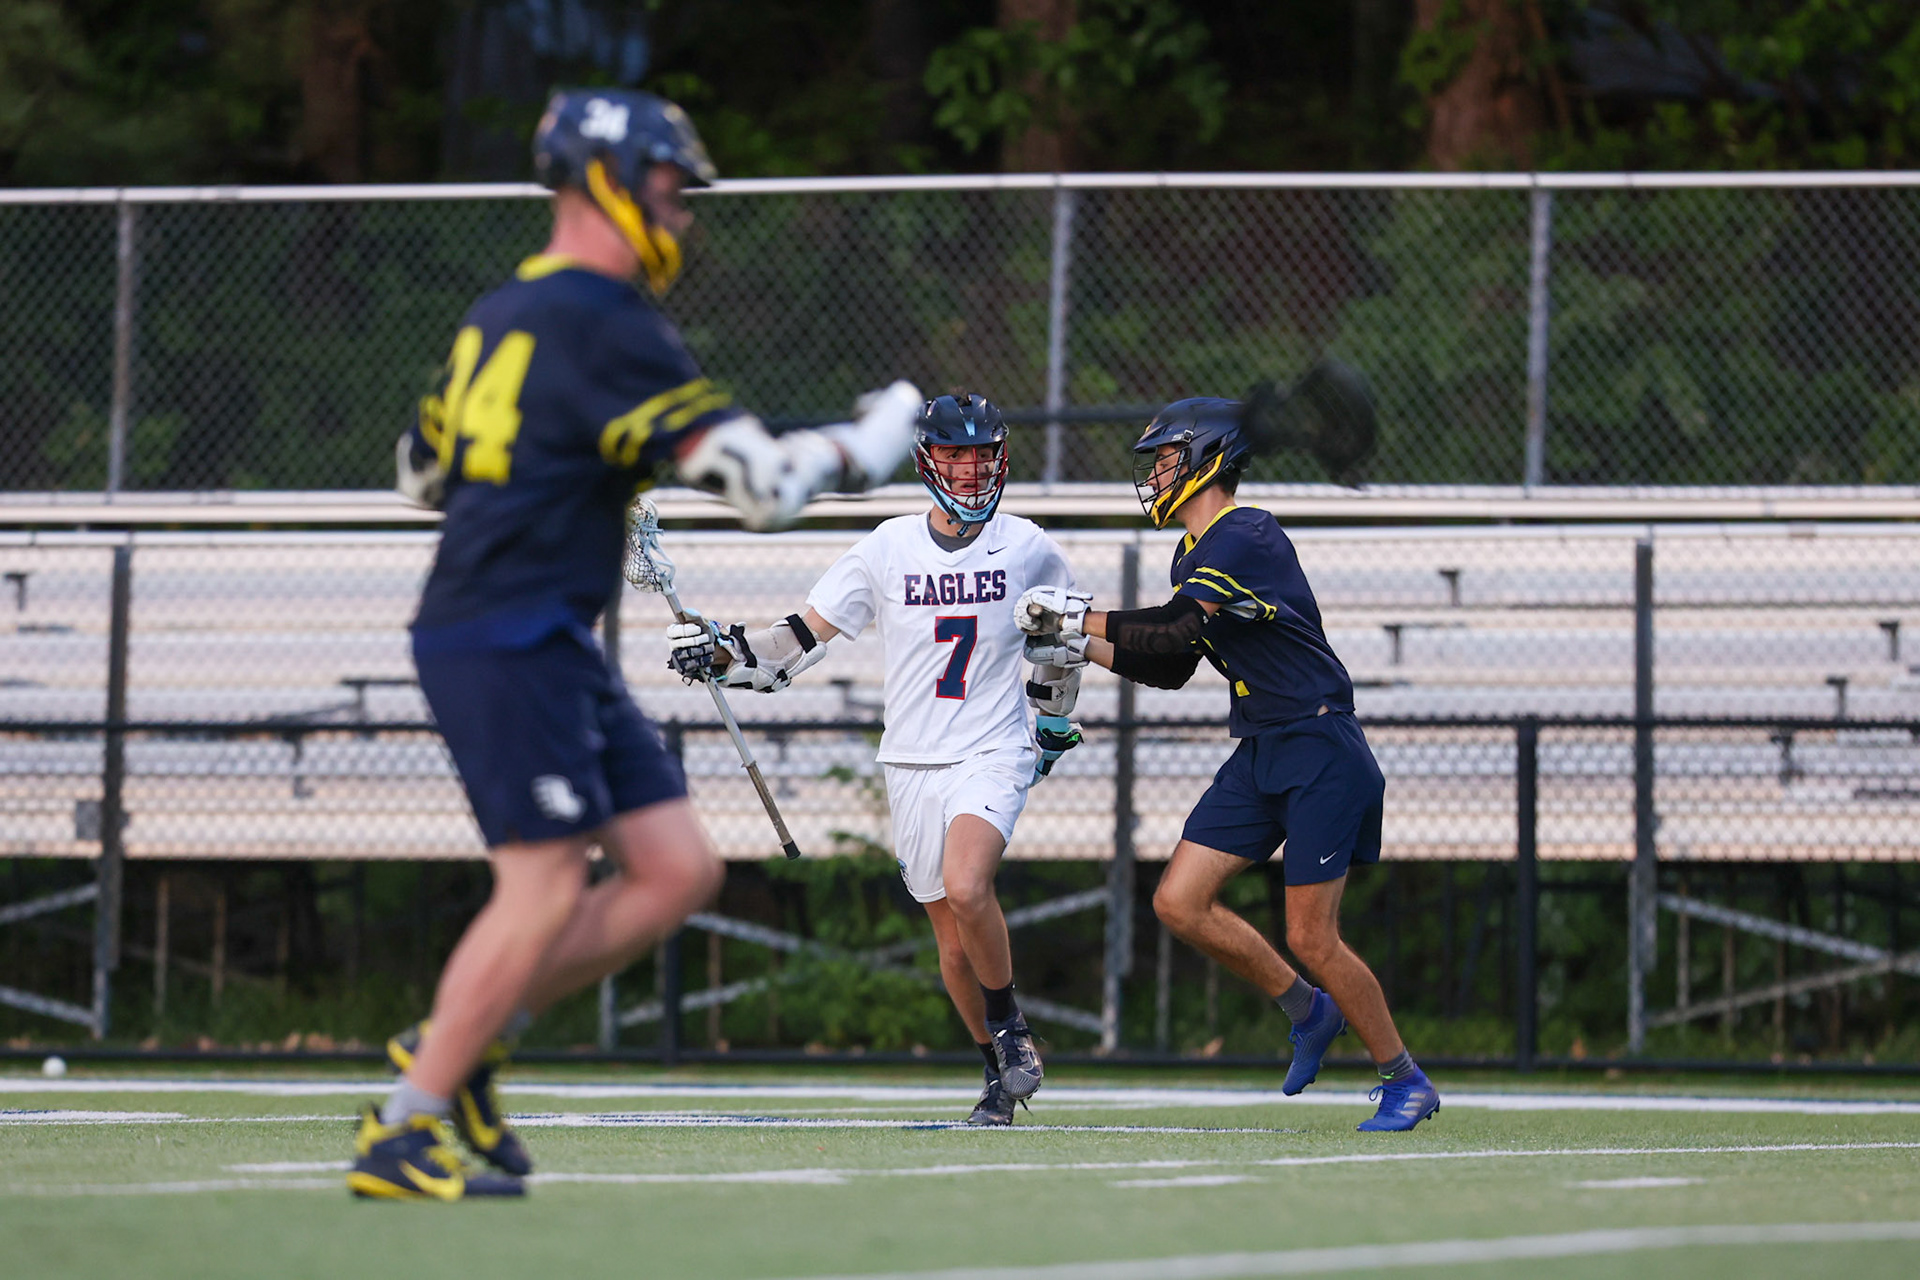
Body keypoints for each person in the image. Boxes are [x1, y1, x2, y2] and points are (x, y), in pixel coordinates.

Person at [351, 87, 923, 1201]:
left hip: (540, 631)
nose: (683, 212)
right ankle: (403, 1125)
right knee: (544, 884)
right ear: (605, 180)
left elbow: (418, 472)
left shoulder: (504, 310)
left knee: (675, 869)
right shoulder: (606, 320)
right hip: (504, 631)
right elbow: (763, 489)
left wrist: (575, 460)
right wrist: (863, 445)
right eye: (669, 186)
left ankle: (460, 1040)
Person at [1015, 397, 1440, 1132]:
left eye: (1166, 458)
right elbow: (1174, 664)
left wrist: (1077, 617)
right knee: (1179, 901)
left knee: (1312, 936)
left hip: (1319, 747)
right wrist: (1081, 645)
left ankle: (1405, 1079)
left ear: (1207, 457)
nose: (1156, 474)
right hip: (1263, 747)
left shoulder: (1247, 533)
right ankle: (1308, 1012)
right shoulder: (1193, 551)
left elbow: (1175, 626)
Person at [669, 392, 1082, 1126]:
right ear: (928, 460)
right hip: (912, 759)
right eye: (954, 454)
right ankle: (996, 1074)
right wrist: (724, 652)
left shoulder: (1028, 546)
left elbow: (1059, 643)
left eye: (981, 454)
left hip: (991, 746)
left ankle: (1011, 1029)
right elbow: (797, 641)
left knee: (968, 886)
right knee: (950, 941)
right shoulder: (887, 547)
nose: (969, 468)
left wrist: (1051, 724)